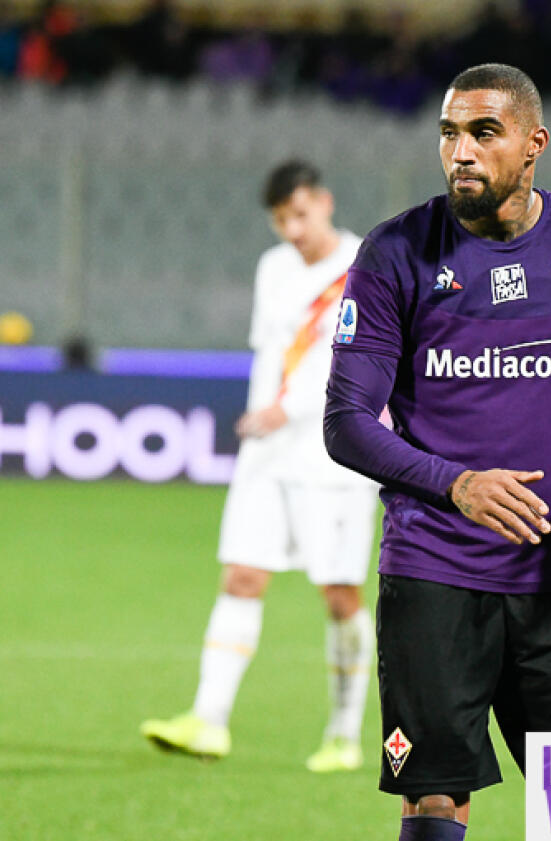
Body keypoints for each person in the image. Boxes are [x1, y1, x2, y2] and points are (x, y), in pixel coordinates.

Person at [322, 63, 551, 840]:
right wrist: (456, 484)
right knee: (434, 801)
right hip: (433, 575)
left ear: (533, 144)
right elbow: (346, 421)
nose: (461, 151)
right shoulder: (395, 253)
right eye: (450, 133)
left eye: (484, 133)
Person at [141, 161, 379, 773]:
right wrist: (264, 417)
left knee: (340, 594)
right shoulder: (273, 267)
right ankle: (209, 719)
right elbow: (271, 354)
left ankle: (344, 734)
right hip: (268, 454)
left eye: (300, 215)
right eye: (280, 220)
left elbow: (362, 361)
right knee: (242, 576)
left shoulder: (365, 266)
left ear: (324, 202)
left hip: (334, 456)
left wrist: (287, 410)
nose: (292, 230)